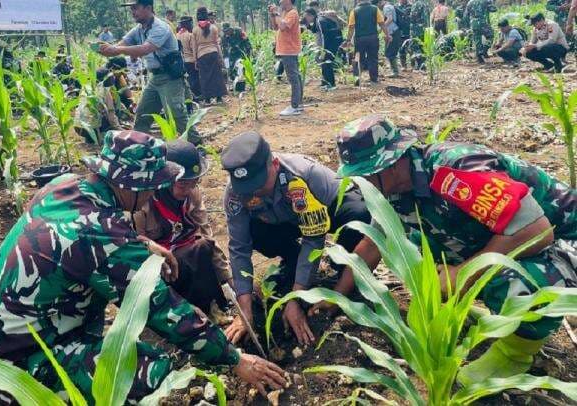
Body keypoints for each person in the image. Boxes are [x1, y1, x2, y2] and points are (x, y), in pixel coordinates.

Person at [0, 131, 287, 404]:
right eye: (151, 185)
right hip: (21, 368)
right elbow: (163, 308)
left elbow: (83, 237)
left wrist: (139, 243)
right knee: (160, 373)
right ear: (129, 184)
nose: (154, 193)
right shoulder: (101, 234)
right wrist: (233, 359)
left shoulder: (63, 186)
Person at [334, 114, 576, 385]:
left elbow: (537, 231)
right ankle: (480, 310)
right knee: (411, 253)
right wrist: (336, 298)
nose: (359, 183)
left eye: (363, 174)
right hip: (504, 235)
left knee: (513, 281)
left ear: (389, 164)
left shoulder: (457, 171)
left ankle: (515, 354)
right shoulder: (393, 189)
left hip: (562, 238)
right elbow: (374, 241)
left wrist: (461, 273)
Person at [220, 132, 371, 346]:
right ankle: (292, 259)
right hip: (286, 223)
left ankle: (346, 271)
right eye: (247, 188)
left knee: (360, 214)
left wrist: (296, 298)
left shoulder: (301, 177)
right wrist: (245, 313)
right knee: (254, 231)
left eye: (259, 184)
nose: (254, 192)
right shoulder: (235, 193)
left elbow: (313, 238)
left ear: (274, 164)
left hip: (328, 208)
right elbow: (239, 248)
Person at [134, 140, 231, 313]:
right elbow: (136, 247)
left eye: (194, 182)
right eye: (182, 184)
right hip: (161, 269)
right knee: (192, 254)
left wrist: (228, 278)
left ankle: (211, 306)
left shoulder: (192, 195)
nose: (188, 189)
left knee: (202, 247)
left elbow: (206, 234)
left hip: (188, 256)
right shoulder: (143, 202)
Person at [99, 0, 195, 140]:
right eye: (131, 9)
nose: (133, 12)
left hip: (169, 77)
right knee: (142, 114)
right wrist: (106, 49)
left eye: (135, 8)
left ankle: (197, 145)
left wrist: (116, 49)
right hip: (155, 78)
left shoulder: (160, 27)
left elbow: (146, 48)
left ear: (148, 8)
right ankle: (137, 146)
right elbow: (122, 45)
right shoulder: (139, 29)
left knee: (176, 115)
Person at [269, 0, 304, 116]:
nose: (279, 2)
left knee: (293, 77)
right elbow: (275, 27)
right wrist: (273, 14)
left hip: (289, 50)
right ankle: (298, 104)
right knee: (296, 77)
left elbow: (283, 26)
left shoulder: (292, 13)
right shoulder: (284, 13)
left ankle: (295, 106)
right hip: (287, 49)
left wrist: (276, 14)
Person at [344, 0, 390, 85]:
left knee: (358, 58)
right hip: (373, 38)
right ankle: (374, 80)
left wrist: (348, 40)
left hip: (359, 39)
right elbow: (382, 23)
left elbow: (351, 27)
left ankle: (357, 80)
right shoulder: (375, 9)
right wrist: (387, 35)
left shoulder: (354, 11)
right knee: (373, 58)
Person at [74, 68, 122, 144]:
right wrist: (120, 131)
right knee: (106, 118)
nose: (113, 78)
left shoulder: (86, 88)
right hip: (94, 128)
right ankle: (99, 139)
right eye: (110, 76)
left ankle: (90, 138)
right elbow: (111, 116)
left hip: (79, 127)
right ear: (105, 79)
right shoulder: (105, 90)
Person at [193, 6, 228, 105]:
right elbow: (217, 44)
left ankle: (207, 99)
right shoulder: (213, 28)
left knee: (204, 77)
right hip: (213, 53)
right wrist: (220, 57)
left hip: (201, 55)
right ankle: (219, 98)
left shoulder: (195, 30)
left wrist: (195, 60)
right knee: (217, 76)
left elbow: (194, 46)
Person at [303, 8, 343, 89]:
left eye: (306, 17)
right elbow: (315, 30)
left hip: (329, 44)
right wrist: (307, 26)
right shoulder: (319, 20)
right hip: (332, 43)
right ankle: (325, 82)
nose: (305, 19)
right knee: (323, 62)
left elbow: (324, 35)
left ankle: (331, 84)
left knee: (326, 63)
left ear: (310, 15)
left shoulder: (320, 21)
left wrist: (323, 50)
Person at [177, 15, 202, 100]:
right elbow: (193, 48)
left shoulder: (177, 35)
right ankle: (196, 95)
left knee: (188, 79)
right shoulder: (190, 35)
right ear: (188, 24)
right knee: (194, 78)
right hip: (191, 59)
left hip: (183, 60)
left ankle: (190, 96)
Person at [378, 0, 402, 77]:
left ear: (381, 2)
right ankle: (394, 71)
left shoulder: (386, 7)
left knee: (390, 52)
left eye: (378, 4)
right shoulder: (389, 6)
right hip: (393, 32)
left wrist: (382, 27)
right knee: (389, 52)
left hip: (393, 32)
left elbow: (390, 19)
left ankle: (395, 72)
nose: (378, 6)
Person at [409, 0, 430, 69]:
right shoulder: (426, 4)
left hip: (417, 29)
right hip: (425, 29)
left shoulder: (417, 4)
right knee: (423, 46)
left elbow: (413, 17)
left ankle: (419, 65)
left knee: (416, 46)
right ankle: (423, 65)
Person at [397, 0, 412, 70]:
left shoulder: (411, 6)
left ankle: (413, 65)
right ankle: (403, 66)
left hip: (409, 30)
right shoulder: (396, 7)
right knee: (401, 49)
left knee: (411, 48)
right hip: (400, 30)